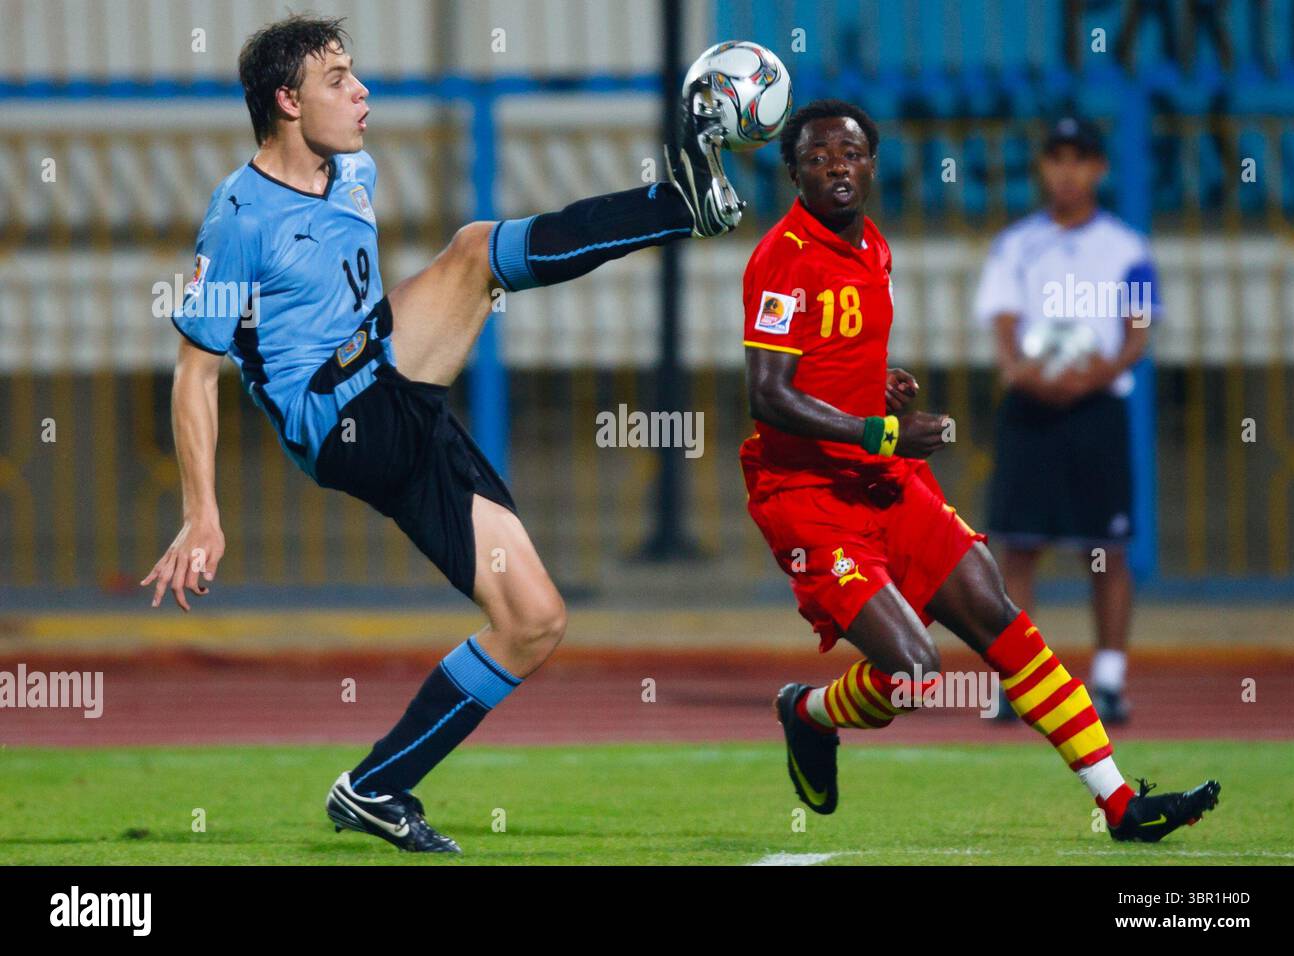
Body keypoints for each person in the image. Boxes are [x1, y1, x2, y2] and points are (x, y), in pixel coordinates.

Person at [141, 14, 742, 853]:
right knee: (472, 254)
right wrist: (202, 512)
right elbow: (192, 371)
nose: (362, 92)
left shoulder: (354, 168)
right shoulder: (237, 217)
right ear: (285, 100)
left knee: (533, 620)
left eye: (356, 73)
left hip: (398, 403)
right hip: (340, 417)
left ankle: (375, 787)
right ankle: (679, 204)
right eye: (338, 78)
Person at [742, 98, 1217, 841]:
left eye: (852, 153)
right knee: (914, 670)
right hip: (810, 496)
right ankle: (806, 712)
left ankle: (1119, 802)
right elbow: (768, 396)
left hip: (884, 477)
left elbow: (832, 360)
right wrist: (884, 429)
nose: (837, 166)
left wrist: (881, 384)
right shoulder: (781, 259)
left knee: (998, 614)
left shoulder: (874, 246)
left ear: (872, 163)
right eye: (817, 156)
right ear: (793, 172)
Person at [974, 117, 1160, 724]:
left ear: (1099, 169)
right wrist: (1021, 371)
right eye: (1056, 158)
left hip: (1096, 411)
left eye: (1079, 159)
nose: (1067, 172)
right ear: (1042, 167)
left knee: (1105, 548)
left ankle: (1108, 681)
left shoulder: (1126, 248)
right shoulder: (1016, 245)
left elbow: (1137, 335)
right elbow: (1004, 326)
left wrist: (1092, 376)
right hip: (1031, 409)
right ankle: (1017, 681)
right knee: (1019, 548)